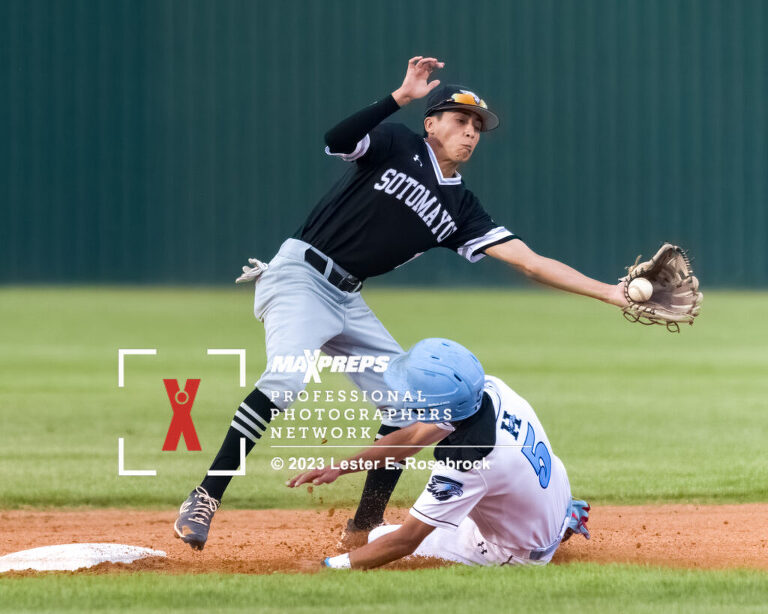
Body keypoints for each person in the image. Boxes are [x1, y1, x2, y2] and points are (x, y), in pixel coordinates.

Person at [174, 56, 622, 551]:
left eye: (477, 126)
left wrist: (609, 292)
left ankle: (360, 529)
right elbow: (336, 139)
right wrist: (397, 99)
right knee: (286, 379)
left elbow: (530, 262)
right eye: (459, 119)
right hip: (302, 275)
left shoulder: (461, 208)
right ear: (430, 123)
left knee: (410, 406)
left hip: (347, 296)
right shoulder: (396, 143)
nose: (470, 132)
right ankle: (205, 496)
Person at [287, 338, 591, 569]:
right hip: (553, 501)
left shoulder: (468, 463)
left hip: (516, 551)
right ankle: (559, 523)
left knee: (378, 540)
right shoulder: (490, 390)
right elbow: (413, 438)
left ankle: (539, 543)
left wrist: (329, 567)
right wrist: (342, 468)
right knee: (475, 504)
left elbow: (405, 541)